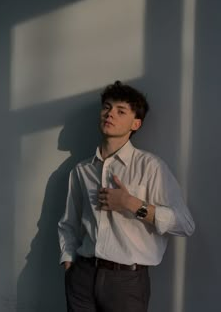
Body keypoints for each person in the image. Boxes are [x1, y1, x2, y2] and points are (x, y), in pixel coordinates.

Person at [58, 80, 195, 312]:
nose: (110, 114)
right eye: (107, 107)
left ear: (136, 123)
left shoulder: (151, 167)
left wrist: (132, 204)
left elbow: (185, 224)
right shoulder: (82, 170)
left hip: (126, 282)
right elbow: (68, 223)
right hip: (82, 275)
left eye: (121, 111)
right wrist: (69, 261)